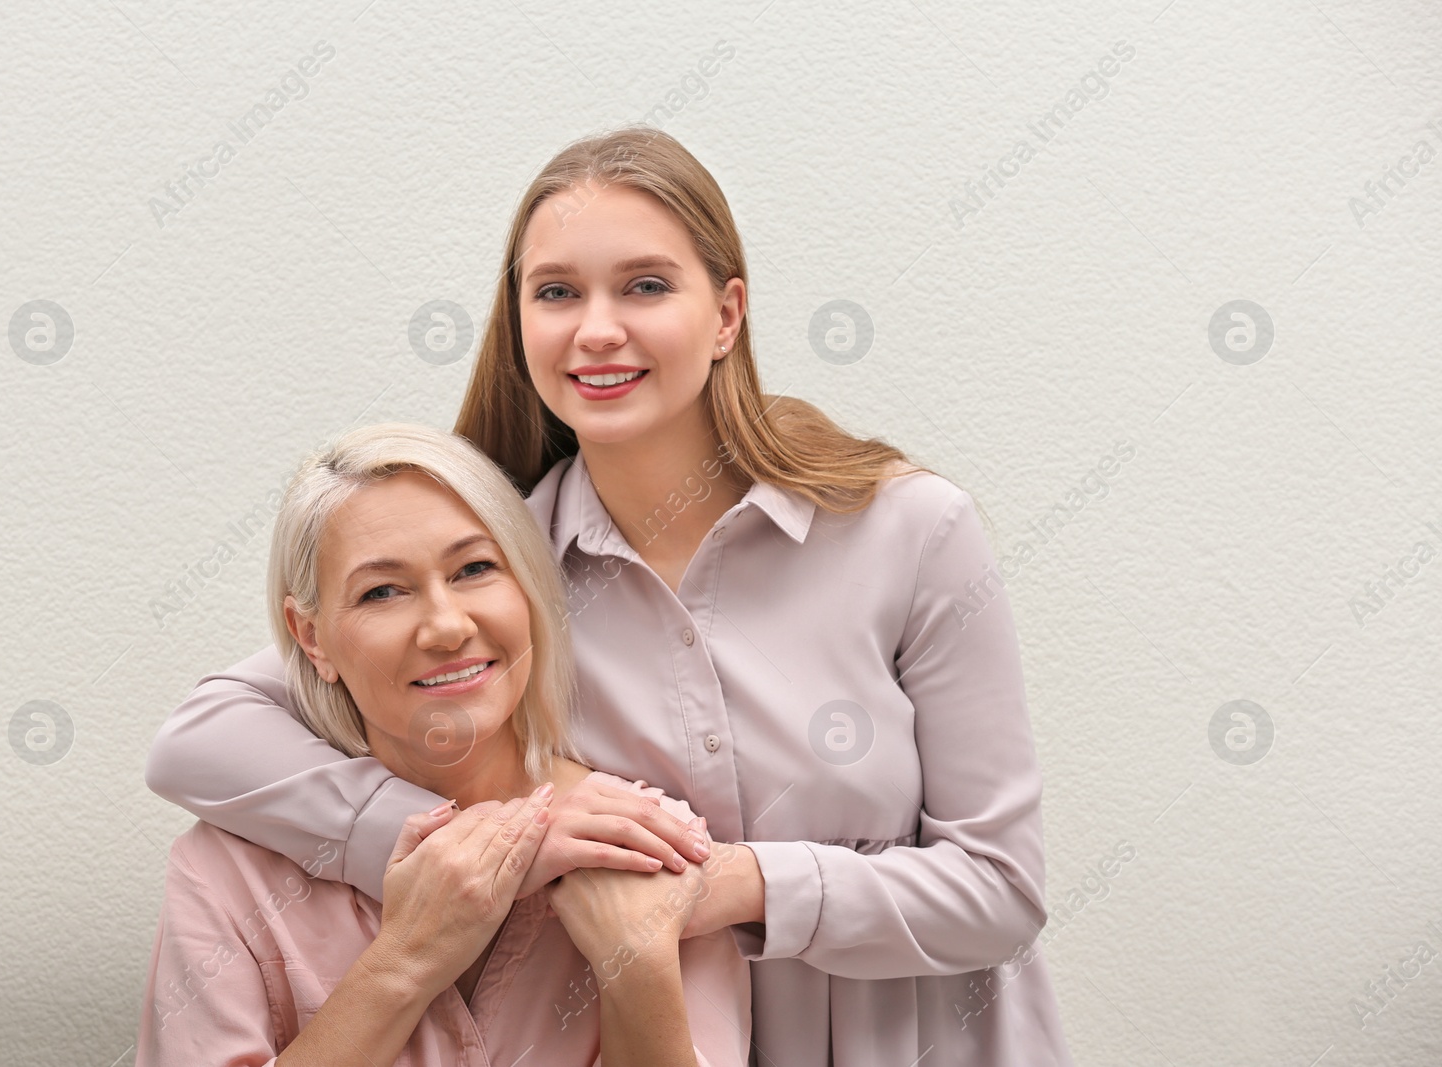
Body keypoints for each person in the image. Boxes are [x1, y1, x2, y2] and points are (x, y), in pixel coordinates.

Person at [146, 126, 1075, 1065]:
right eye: (557, 292)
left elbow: (1001, 889)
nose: (596, 327)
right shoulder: (499, 582)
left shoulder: (911, 532)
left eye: (645, 285)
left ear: (726, 314)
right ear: (519, 324)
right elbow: (198, 739)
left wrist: (735, 883)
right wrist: (456, 849)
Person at [136, 423, 751, 1066]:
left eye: (476, 568)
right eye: (382, 591)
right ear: (312, 639)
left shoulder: (651, 843)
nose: (447, 626)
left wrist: (640, 969)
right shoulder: (223, 874)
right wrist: (407, 960)